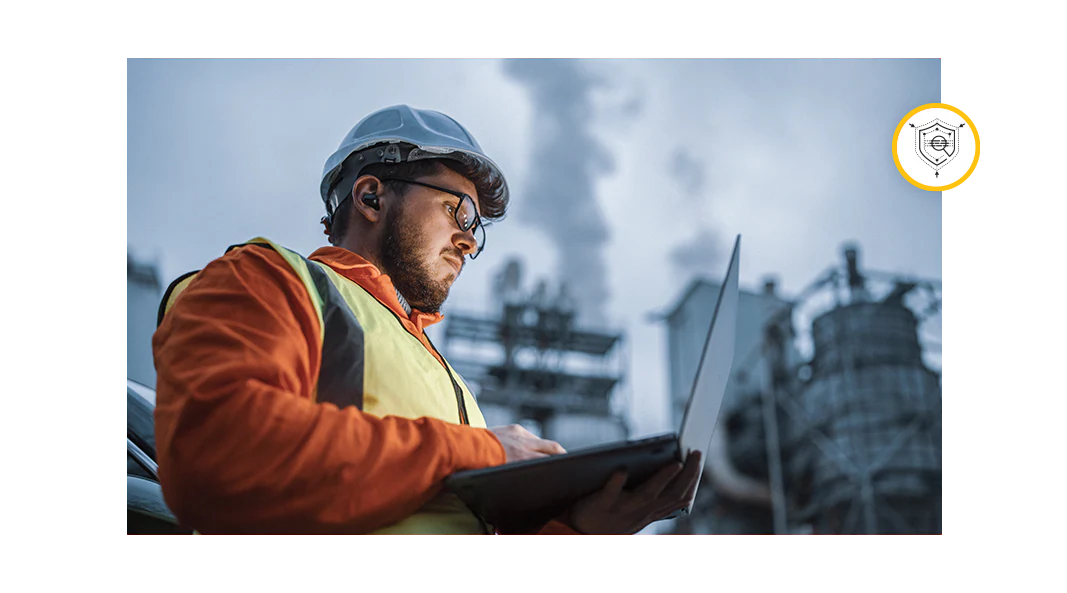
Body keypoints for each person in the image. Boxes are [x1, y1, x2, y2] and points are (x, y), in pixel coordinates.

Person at [152, 104, 701, 534]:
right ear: (371, 196)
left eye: (478, 228)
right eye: (457, 210)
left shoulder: (447, 379)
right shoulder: (269, 279)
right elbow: (220, 454)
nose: (468, 240)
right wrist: (481, 450)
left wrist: (581, 528)